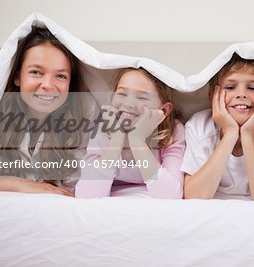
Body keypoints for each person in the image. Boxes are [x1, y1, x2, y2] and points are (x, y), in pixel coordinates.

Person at [0, 26, 91, 196]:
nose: (47, 85)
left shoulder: (82, 128)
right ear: (17, 77)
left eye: (61, 76)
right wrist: (18, 185)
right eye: (36, 72)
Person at [181, 53, 254, 201]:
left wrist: (248, 135)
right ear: (213, 96)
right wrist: (230, 134)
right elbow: (194, 196)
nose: (241, 94)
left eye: (251, 88)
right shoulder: (199, 126)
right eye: (230, 87)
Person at [75, 67, 185, 199]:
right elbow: (87, 196)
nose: (129, 104)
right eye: (122, 94)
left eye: (142, 97)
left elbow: (171, 194)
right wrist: (116, 140)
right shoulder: (104, 127)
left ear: (164, 110)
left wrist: (137, 140)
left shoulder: (172, 131)